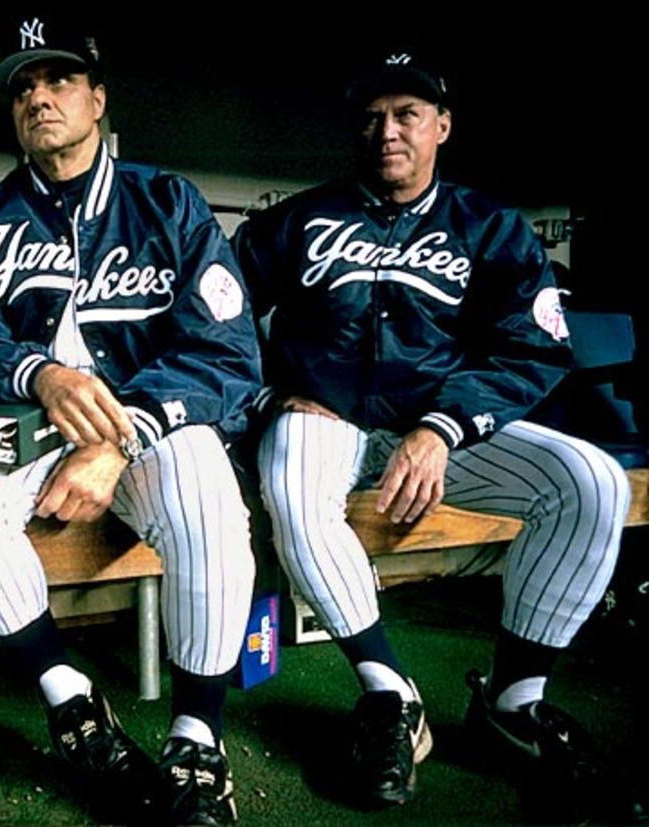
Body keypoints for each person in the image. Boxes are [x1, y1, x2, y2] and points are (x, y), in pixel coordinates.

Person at [234, 51, 642, 821]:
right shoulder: (295, 222)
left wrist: (444, 424)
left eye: (407, 115)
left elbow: (533, 344)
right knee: (289, 478)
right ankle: (391, 697)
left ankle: (513, 704)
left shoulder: (491, 228)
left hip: (445, 431)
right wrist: (270, 400)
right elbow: (216, 325)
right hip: (329, 424)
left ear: (442, 127)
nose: (386, 131)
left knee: (594, 482)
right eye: (372, 117)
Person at [0, 16, 264, 826]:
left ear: (98, 100)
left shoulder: (167, 203)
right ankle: (72, 700)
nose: (39, 97)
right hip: (30, 425)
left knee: (208, 488)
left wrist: (121, 435)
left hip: (144, 425)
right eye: (23, 88)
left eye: (59, 80)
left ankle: (197, 742)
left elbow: (226, 351)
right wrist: (35, 371)